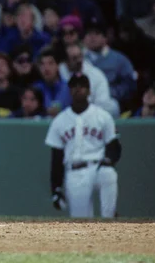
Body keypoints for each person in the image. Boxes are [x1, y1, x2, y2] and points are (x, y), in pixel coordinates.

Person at [45, 73, 121, 218]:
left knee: (109, 174)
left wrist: (110, 160)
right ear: (69, 90)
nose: (78, 89)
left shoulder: (103, 116)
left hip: (98, 167)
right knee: (81, 220)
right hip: (74, 172)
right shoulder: (60, 121)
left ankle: (109, 216)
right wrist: (56, 189)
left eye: (82, 86)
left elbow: (114, 146)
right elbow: (56, 158)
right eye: (74, 86)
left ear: (89, 90)